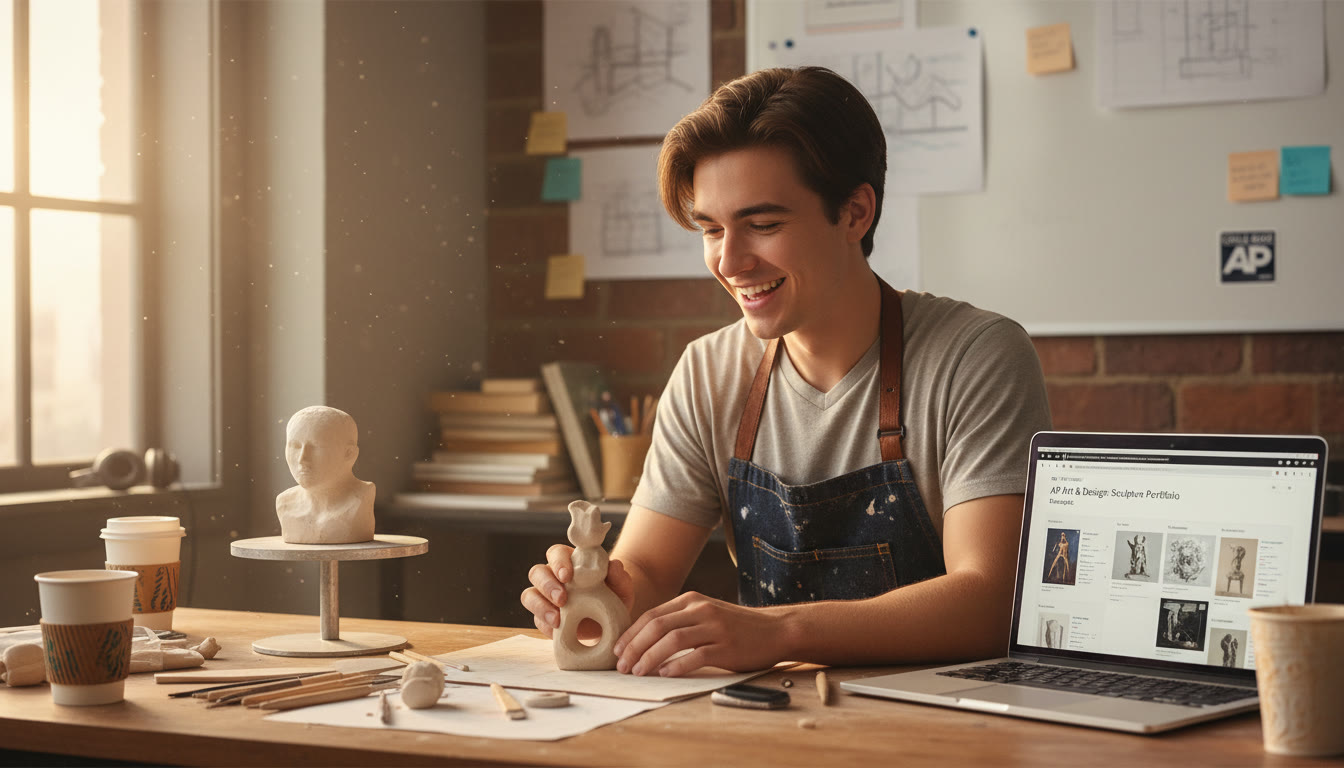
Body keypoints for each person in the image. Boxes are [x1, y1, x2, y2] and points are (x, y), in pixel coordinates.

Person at [521, 66, 1051, 677]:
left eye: (763, 225)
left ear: (855, 213)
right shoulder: (708, 373)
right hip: (774, 719)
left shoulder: (976, 357)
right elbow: (646, 574)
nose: (729, 261)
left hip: (948, 725)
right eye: (711, 229)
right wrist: (591, 593)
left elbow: (988, 601)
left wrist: (781, 630)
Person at [276, 405, 376, 544]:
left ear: (349, 454)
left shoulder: (360, 498)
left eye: (317, 447)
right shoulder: (285, 503)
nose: (302, 459)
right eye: (295, 446)